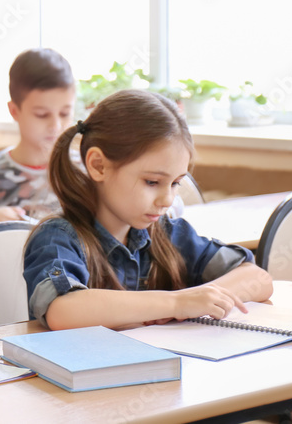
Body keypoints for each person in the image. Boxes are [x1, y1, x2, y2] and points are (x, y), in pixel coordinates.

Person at [22, 89, 273, 330]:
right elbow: (63, 311)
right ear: (98, 165)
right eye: (152, 182)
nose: (167, 199)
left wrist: (203, 298)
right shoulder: (57, 237)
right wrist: (176, 303)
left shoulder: (169, 234)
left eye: (175, 183)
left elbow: (258, 279)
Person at [0, 48, 75, 233]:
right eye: (42, 114)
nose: (55, 125)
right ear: (14, 111)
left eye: (65, 113)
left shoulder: (86, 172)